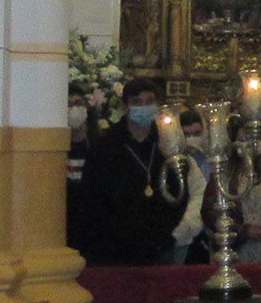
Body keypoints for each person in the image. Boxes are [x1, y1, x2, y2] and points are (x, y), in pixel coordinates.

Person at [80, 77, 189, 264]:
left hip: (158, 246)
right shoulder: (106, 147)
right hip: (114, 250)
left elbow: (178, 192)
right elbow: (92, 198)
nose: (144, 107)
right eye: (137, 102)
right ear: (125, 107)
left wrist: (162, 231)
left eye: (149, 102)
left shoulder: (166, 144)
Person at [66, 83, 93, 254]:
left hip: (90, 222)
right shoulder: (51, 147)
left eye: (78, 103)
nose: (74, 109)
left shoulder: (99, 144)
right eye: (69, 105)